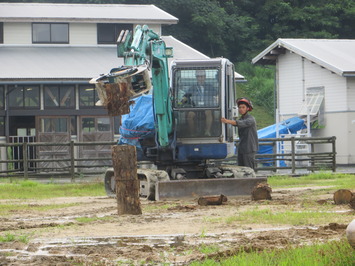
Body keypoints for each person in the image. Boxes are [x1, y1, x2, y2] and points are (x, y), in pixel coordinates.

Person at [221, 97, 258, 170]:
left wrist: (226, 121)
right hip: (242, 148)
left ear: (248, 108)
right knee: (241, 169)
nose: (241, 109)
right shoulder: (241, 119)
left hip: (249, 148)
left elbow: (238, 123)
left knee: (249, 169)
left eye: (243, 107)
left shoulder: (251, 119)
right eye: (240, 107)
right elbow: (236, 123)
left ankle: (250, 181)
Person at [180, 69, 218, 136]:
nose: (200, 78)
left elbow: (217, 95)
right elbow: (185, 97)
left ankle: (207, 131)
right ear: (196, 78)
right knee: (190, 115)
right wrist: (180, 104)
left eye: (202, 76)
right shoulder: (192, 88)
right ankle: (192, 133)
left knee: (208, 112)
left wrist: (218, 100)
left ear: (205, 77)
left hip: (207, 107)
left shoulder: (210, 87)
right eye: (199, 77)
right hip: (195, 108)